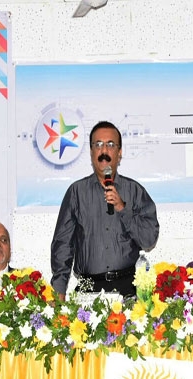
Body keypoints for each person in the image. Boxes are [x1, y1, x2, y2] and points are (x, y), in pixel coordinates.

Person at [51, 121, 159, 298]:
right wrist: (59, 290)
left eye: (110, 144)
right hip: (88, 288)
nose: (104, 151)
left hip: (128, 288)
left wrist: (122, 208)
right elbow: (63, 244)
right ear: (91, 152)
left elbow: (148, 240)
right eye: (98, 144)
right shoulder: (76, 192)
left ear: (119, 152)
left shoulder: (135, 191)